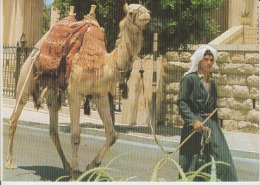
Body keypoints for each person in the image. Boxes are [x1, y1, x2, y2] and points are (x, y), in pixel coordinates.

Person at [177, 45, 238, 181]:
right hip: (194, 127)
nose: (209, 62)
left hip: (211, 126)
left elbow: (213, 108)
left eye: (211, 60)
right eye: (206, 59)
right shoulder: (189, 79)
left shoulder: (213, 83)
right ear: (200, 61)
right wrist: (193, 121)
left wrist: (217, 128)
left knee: (224, 161)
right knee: (194, 164)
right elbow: (181, 102)